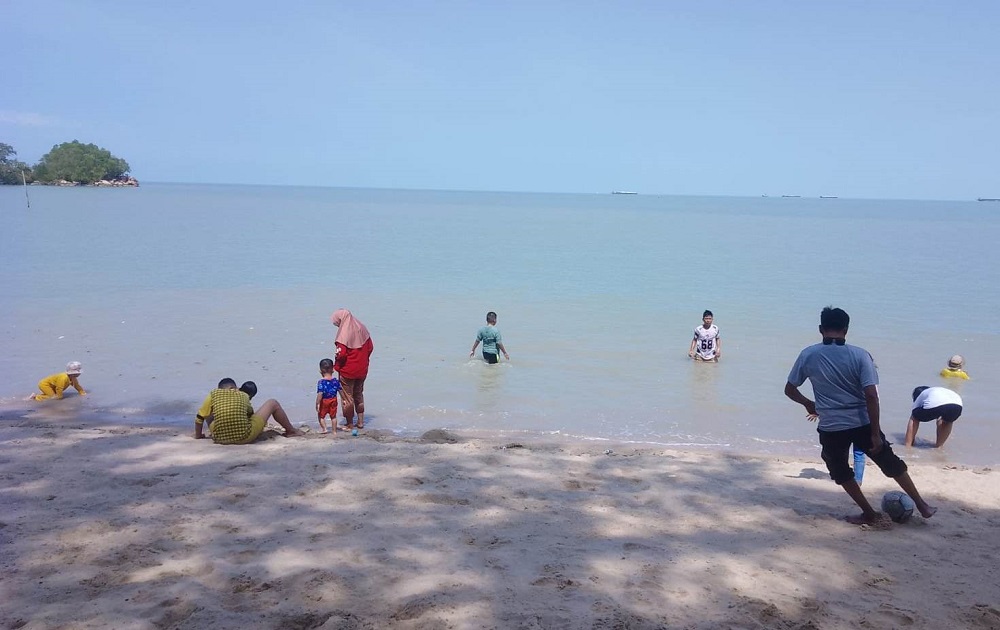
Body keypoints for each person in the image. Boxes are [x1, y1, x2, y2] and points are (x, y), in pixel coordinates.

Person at [784, 306, 936, 525]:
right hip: (862, 423)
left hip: (832, 426)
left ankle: (869, 513)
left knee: (840, 471)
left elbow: (790, 390)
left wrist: (809, 404)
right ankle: (922, 505)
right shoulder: (860, 355)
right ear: (846, 330)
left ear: (820, 329)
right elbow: (872, 396)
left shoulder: (808, 354)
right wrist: (875, 433)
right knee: (890, 462)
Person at [193, 378, 302, 444]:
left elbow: (199, 418)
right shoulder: (243, 395)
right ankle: (291, 431)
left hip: (220, 438)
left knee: (207, 412)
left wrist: (198, 435)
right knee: (273, 403)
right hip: (245, 437)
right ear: (235, 387)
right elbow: (250, 415)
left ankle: (219, 429)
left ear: (219, 389)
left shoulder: (213, 394)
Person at [331, 309, 374, 431]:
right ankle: (360, 422)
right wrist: (363, 360)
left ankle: (349, 423)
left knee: (347, 397)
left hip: (347, 371)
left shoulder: (343, 336)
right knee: (359, 394)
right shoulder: (362, 329)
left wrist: (337, 366)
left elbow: (341, 355)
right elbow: (370, 348)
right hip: (362, 370)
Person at [315, 358, 341, 434]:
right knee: (333, 416)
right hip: (333, 400)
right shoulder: (336, 381)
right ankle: (334, 431)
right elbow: (340, 390)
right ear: (333, 370)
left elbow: (320, 393)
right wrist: (344, 399)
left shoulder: (321, 382)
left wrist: (317, 403)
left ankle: (324, 429)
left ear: (320, 371)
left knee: (321, 416)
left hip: (324, 401)